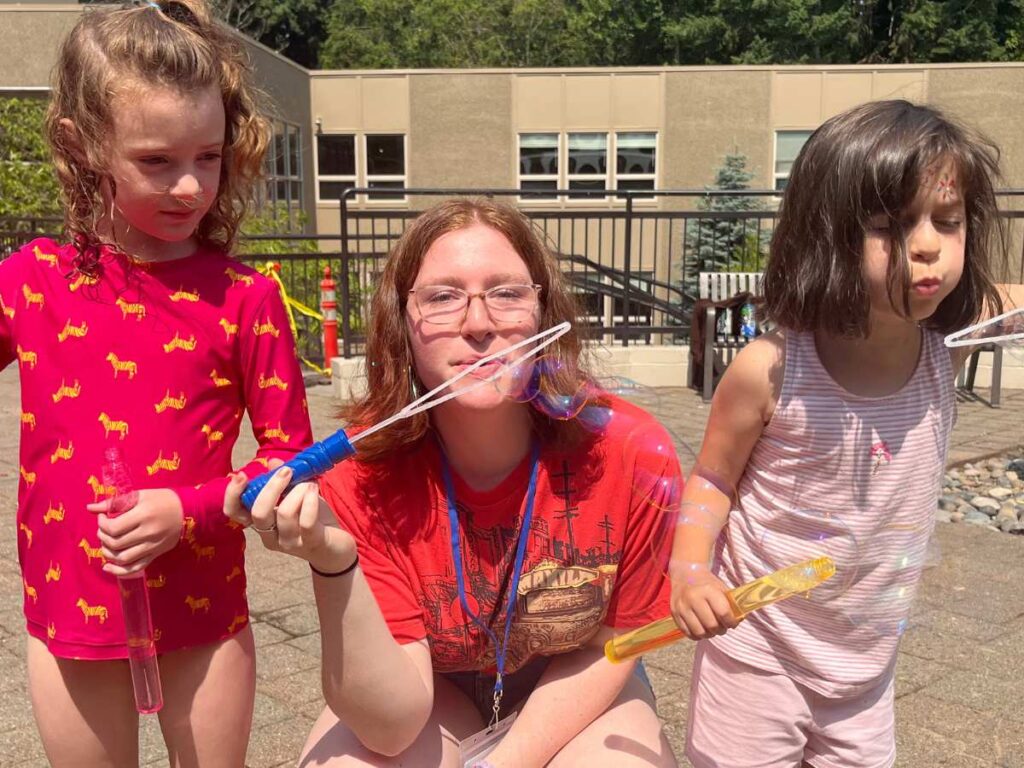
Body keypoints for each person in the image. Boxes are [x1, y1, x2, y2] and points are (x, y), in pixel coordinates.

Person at [227, 198, 682, 767]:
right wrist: (333, 562)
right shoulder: (358, 474)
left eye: (507, 293)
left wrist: (504, 762)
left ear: (544, 310)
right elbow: (390, 728)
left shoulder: (630, 453)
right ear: (402, 324)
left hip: (578, 675)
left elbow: (609, 646)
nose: (478, 324)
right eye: (442, 297)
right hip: (434, 688)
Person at [3, 1, 312, 764]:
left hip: (203, 614)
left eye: (208, 158)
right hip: (72, 609)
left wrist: (191, 506)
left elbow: (296, 457)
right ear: (83, 146)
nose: (188, 187)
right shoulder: (31, 282)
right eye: (156, 161)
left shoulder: (246, 298)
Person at [670, 99, 1007, 768]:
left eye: (948, 220)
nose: (927, 245)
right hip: (758, 646)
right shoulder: (770, 369)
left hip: (866, 666)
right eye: (890, 225)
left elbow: (1011, 300)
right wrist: (688, 571)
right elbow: (710, 479)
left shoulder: (947, 354)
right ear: (824, 237)